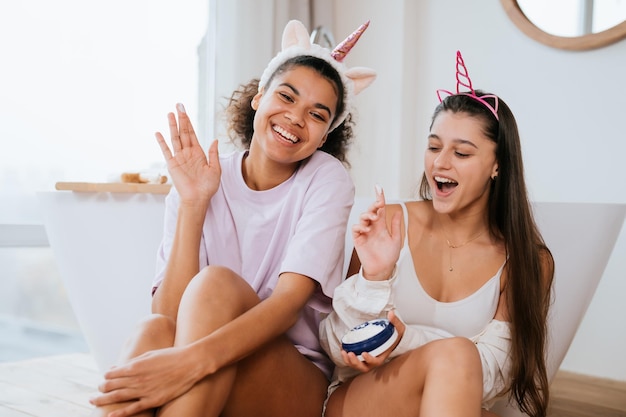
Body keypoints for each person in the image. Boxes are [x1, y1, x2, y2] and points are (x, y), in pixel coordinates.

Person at [89, 19, 376, 417]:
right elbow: (168, 317)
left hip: (292, 379)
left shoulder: (326, 178)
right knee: (150, 331)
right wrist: (193, 205)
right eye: (287, 97)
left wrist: (189, 363)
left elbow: (287, 305)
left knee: (214, 285)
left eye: (317, 114)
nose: (295, 117)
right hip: (205, 357)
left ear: (325, 136)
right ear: (259, 97)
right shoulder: (202, 177)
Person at [320, 50, 554, 417]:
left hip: (446, 405)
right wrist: (374, 276)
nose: (440, 163)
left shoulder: (527, 260)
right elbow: (338, 346)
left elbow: (493, 374)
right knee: (459, 353)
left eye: (462, 153)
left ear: (497, 165)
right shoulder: (392, 224)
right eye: (433, 146)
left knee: (459, 360)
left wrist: (404, 340)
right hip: (361, 402)